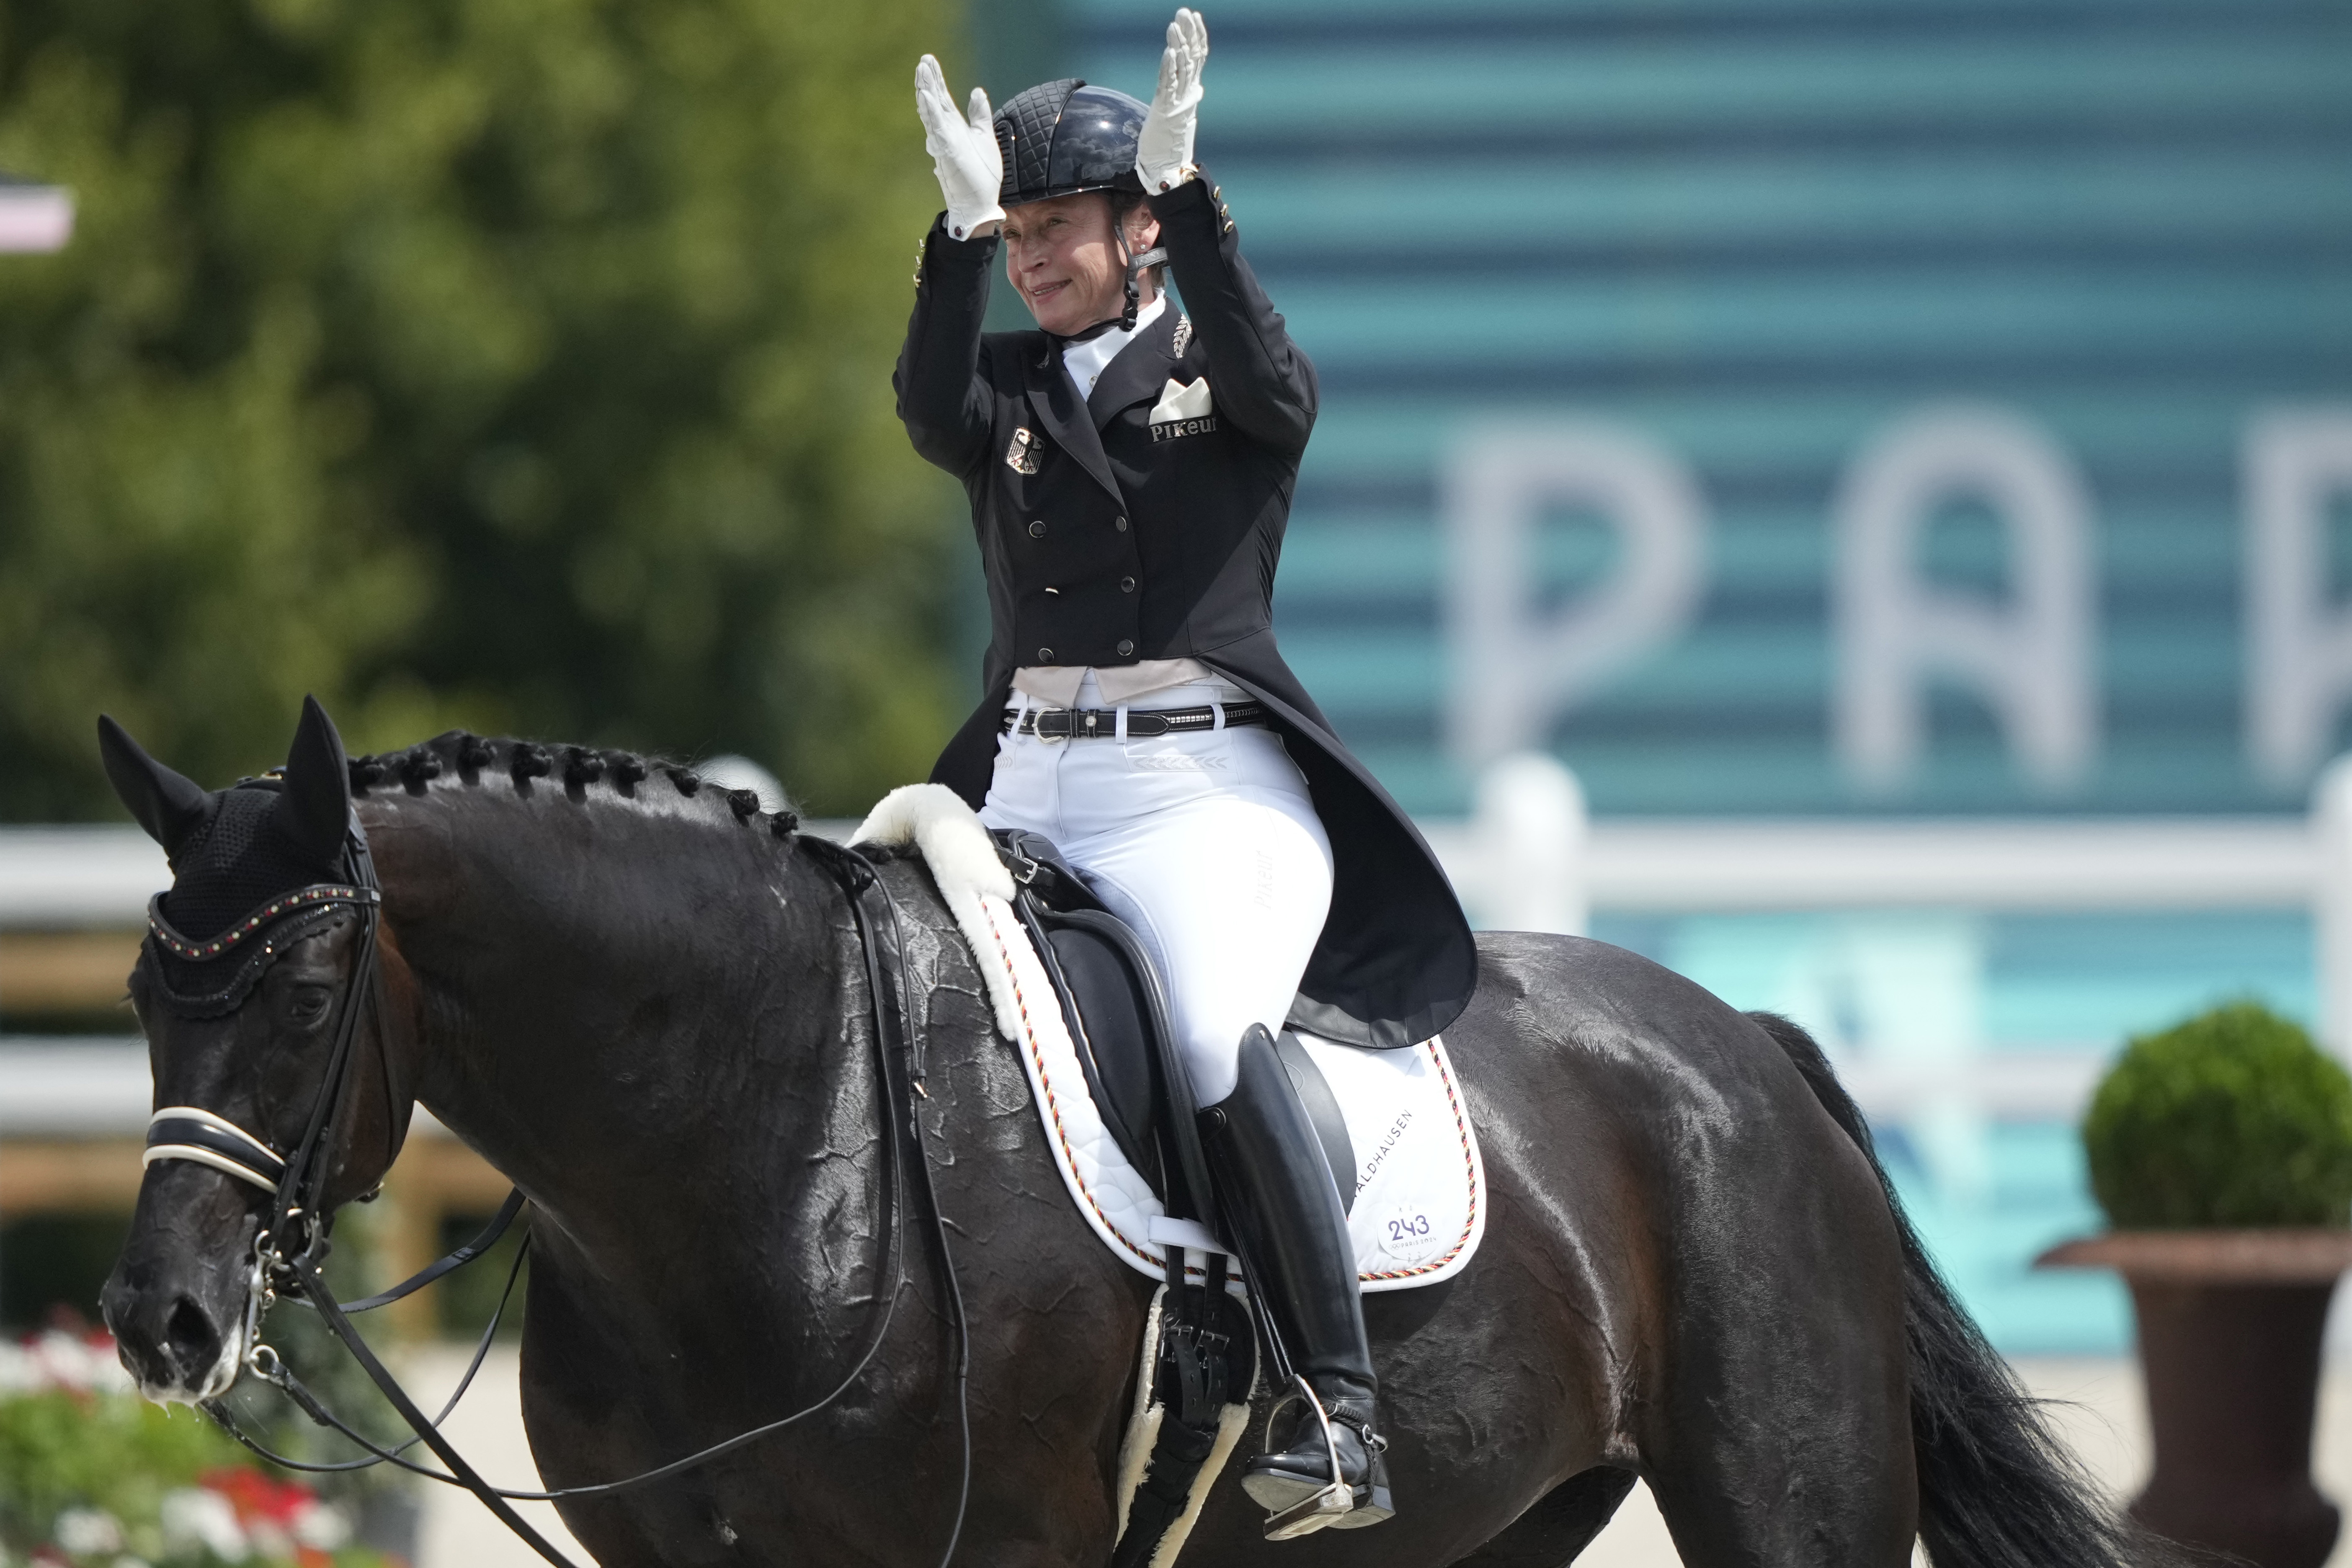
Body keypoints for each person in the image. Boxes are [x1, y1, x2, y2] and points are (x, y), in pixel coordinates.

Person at [896, 10, 1476, 1537]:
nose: (1035, 254)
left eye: (1058, 226)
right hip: (1026, 779)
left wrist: (1199, 205)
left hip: (1200, 798)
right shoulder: (1013, 386)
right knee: (885, 995)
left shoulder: (1217, 376)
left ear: (1138, 229)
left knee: (1219, 1038)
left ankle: (1340, 1413)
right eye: (1018, 231)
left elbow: (1284, 398)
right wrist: (953, 245)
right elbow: (922, 409)